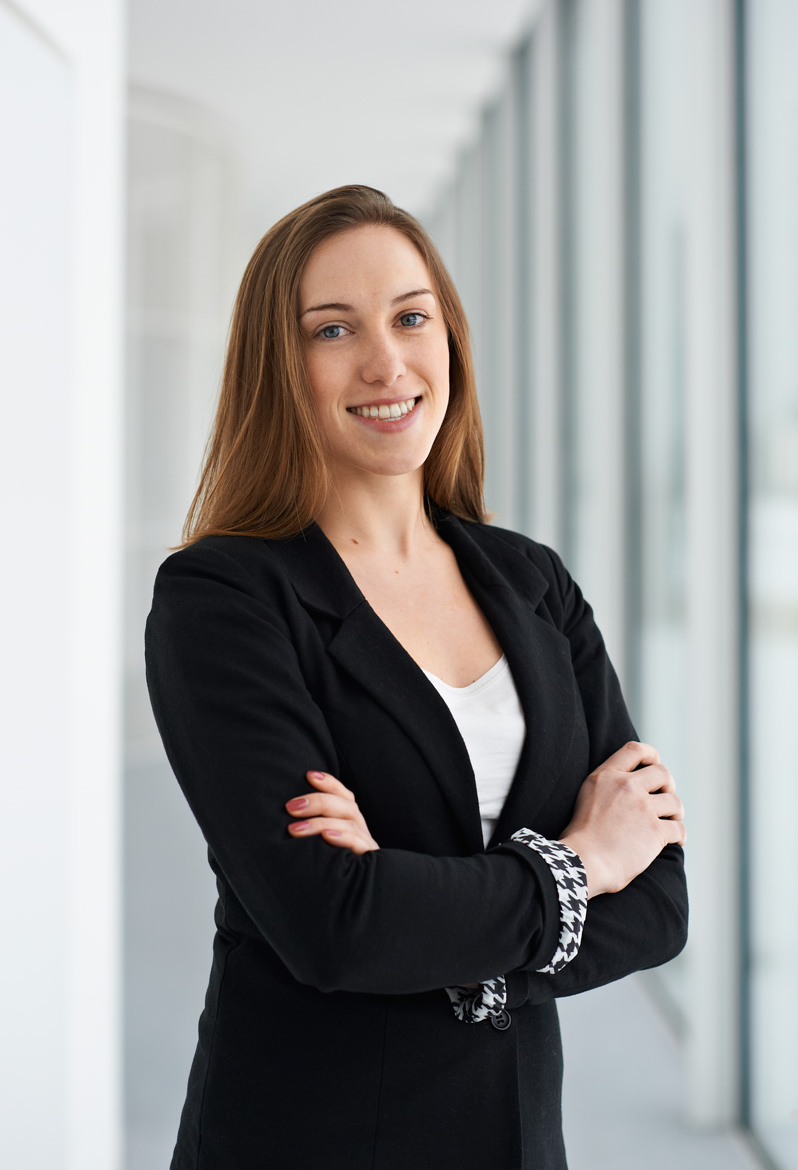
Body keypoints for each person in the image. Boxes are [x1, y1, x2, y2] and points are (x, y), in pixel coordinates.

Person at [144, 183, 688, 1170]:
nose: (386, 362)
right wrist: (578, 865)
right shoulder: (222, 600)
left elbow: (657, 904)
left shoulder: (533, 584)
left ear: (451, 337)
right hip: (309, 1138)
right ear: (281, 366)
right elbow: (333, 926)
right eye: (333, 330)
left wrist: (425, 911)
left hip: (517, 1137)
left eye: (410, 316)